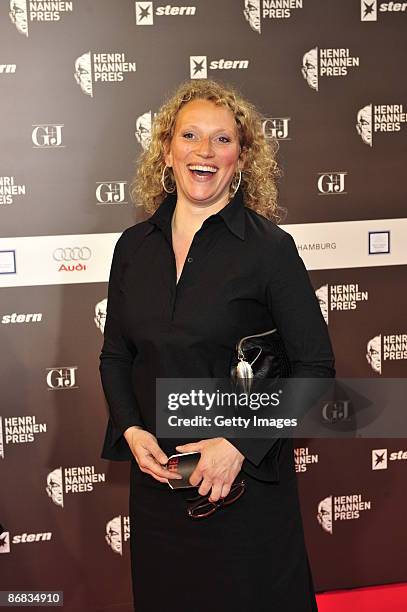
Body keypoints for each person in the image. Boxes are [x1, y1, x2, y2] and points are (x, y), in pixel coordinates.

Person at [99, 79, 335, 611]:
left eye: (222, 140)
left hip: (244, 490)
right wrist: (132, 429)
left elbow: (316, 367)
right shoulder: (133, 247)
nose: (204, 152)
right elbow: (116, 356)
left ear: (242, 157)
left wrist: (238, 446)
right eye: (190, 136)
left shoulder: (270, 250)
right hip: (160, 493)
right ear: (166, 150)